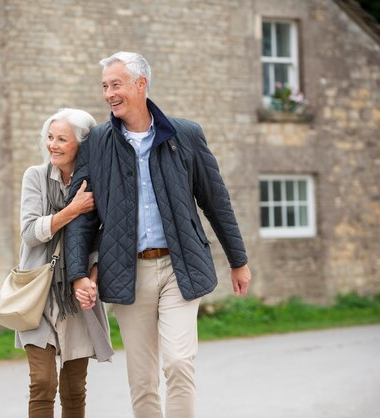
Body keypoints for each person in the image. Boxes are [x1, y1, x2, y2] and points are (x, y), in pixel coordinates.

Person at [66, 52, 251, 418]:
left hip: (178, 266)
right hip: (127, 272)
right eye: (104, 86)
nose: (108, 94)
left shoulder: (185, 135)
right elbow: (82, 216)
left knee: (180, 363)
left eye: (115, 84)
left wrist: (238, 260)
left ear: (141, 84)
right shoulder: (98, 143)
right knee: (143, 379)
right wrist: (76, 273)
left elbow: (216, 201)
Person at [16, 108, 114, 418]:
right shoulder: (35, 177)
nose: (52, 145)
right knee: (42, 383)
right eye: (49, 137)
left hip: (77, 295)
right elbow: (31, 233)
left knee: (74, 390)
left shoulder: (98, 184)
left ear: (81, 145)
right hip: (38, 296)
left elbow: (102, 239)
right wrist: (72, 210)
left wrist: (92, 279)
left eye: (61, 139)